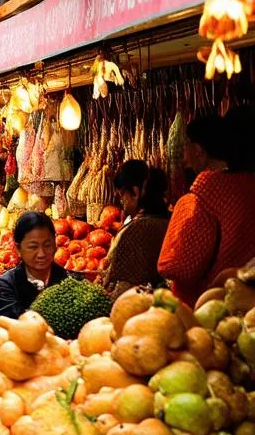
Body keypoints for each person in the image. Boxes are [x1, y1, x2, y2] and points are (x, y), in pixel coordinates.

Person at [158, 115, 255, 305]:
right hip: (248, 300)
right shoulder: (249, 186)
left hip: (206, 305)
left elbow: (179, 268)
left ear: (198, 150)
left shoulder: (200, 198)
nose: (183, 152)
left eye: (186, 144)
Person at [102, 161, 170, 296]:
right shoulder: (170, 220)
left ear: (135, 192)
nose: (121, 202)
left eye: (122, 195)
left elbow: (123, 287)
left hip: (135, 304)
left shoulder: (136, 230)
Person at [0, 212, 68, 326]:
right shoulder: (8, 284)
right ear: (18, 249)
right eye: (33, 247)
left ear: (55, 245)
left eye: (47, 245)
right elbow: (6, 327)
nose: (41, 254)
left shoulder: (65, 279)